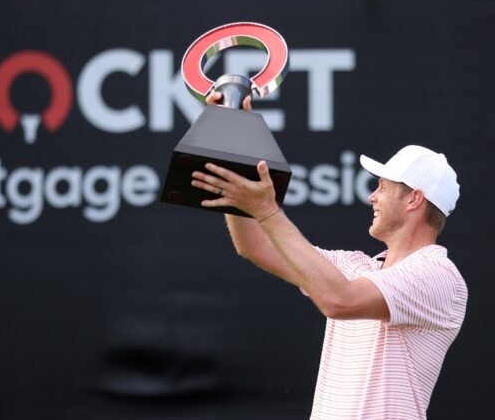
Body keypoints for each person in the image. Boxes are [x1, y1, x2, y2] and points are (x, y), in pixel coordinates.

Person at [191, 92, 468, 420]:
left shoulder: (438, 274)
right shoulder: (356, 266)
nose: (372, 196)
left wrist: (267, 209)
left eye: (382, 186)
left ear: (413, 199)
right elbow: (255, 246)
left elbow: (340, 300)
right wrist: (234, 150)